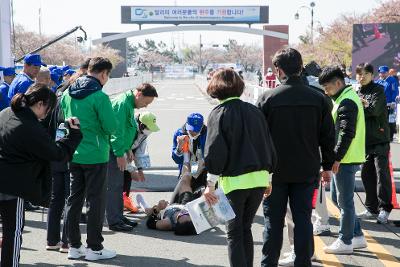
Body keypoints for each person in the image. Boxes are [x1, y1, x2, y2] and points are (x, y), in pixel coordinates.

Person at [257, 48, 335, 266]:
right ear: (301, 67)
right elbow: (328, 135)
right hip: (307, 169)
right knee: (303, 220)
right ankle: (303, 262)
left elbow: (259, 138)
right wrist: (327, 165)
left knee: (273, 223)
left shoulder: (267, 98)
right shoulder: (318, 98)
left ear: (278, 70)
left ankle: (268, 263)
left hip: (274, 172)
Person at [0, 83, 82, 266]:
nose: (47, 114)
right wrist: (74, 135)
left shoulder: (6, 112)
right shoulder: (29, 127)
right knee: (13, 232)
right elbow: (57, 154)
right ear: (40, 104)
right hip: (12, 186)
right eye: (48, 110)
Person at [203, 68, 276, 267]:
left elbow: (215, 151)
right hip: (260, 179)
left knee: (234, 232)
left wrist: (210, 184)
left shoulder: (218, 113)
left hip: (235, 182)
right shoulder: (255, 111)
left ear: (215, 88)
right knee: (245, 228)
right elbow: (268, 144)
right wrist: (268, 177)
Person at [61, 57, 118, 261]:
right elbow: (111, 126)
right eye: (108, 75)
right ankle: (94, 248)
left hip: (73, 152)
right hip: (95, 154)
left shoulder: (68, 93)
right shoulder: (99, 96)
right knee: (96, 201)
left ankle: (73, 246)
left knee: (74, 200)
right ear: (103, 73)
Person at [319, 66, 367, 254]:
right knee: (339, 199)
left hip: (345, 159)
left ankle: (345, 241)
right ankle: (356, 236)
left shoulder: (346, 101)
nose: (325, 91)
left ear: (338, 83)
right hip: (346, 158)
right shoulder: (346, 98)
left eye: (327, 87)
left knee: (344, 202)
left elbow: (346, 133)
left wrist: (336, 158)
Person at [106, 83, 158, 232]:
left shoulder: (128, 103)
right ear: (139, 95)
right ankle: (114, 220)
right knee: (114, 186)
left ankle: (118, 216)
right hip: (114, 151)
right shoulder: (123, 103)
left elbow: (125, 129)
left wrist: (128, 148)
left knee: (118, 184)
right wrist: (119, 153)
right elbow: (116, 131)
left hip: (121, 149)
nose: (146, 106)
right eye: (146, 102)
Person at [356, 63, 393, 224]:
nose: (361, 77)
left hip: (380, 138)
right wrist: (361, 104)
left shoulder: (377, 90)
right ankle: (371, 208)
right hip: (365, 140)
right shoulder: (356, 91)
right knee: (366, 174)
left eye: (365, 74)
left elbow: (373, 110)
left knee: (381, 174)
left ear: (372, 75)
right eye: (359, 74)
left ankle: (385, 208)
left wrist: (360, 105)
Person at [122, 111, 160, 213]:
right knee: (118, 178)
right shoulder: (130, 128)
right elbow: (121, 149)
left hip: (129, 151)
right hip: (119, 153)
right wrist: (131, 170)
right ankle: (117, 204)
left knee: (127, 177)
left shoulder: (143, 133)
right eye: (149, 128)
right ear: (141, 125)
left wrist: (140, 169)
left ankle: (124, 200)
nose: (150, 131)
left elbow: (139, 152)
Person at [171, 113, 208, 203]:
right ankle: (185, 205)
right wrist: (179, 148)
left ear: (202, 126)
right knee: (174, 201)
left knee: (207, 190)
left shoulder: (208, 134)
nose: (193, 132)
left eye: (196, 130)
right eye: (191, 129)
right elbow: (177, 160)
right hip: (189, 168)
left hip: (205, 169)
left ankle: (203, 203)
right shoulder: (179, 134)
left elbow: (213, 157)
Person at [376, 65, 399, 141]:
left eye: (383, 73)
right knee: (380, 120)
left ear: (387, 73)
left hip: (389, 104)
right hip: (380, 105)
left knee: (390, 121)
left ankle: (390, 137)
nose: (382, 74)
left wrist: (393, 101)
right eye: (380, 73)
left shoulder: (392, 80)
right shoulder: (379, 81)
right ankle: (381, 135)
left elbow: (394, 91)